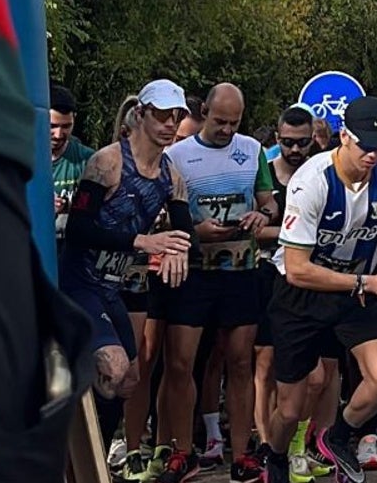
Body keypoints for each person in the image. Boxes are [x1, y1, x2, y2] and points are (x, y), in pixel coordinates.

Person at [262, 97, 377, 483]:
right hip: (303, 295)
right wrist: (367, 282)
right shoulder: (311, 181)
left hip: (357, 289)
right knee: (290, 407)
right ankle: (276, 457)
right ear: (343, 137)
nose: (373, 155)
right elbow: (298, 271)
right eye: (365, 146)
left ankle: (339, 436)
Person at [58, 79, 195, 481]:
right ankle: (76, 458)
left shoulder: (172, 175)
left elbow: (186, 232)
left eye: (178, 117)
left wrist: (178, 250)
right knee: (115, 367)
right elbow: (79, 230)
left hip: (113, 286)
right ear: (141, 115)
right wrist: (143, 240)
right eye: (163, 116)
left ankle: (90, 460)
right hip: (79, 280)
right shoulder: (107, 162)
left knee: (130, 381)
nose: (171, 125)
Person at [154, 84, 277, 483]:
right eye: (219, 120)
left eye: (234, 122)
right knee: (180, 362)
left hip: (241, 269)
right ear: (204, 111)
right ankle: (183, 451)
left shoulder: (253, 151)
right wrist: (193, 229)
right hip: (193, 270)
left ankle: (241, 454)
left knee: (241, 360)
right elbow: (161, 214)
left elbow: (268, 199)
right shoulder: (177, 155)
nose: (226, 129)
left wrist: (262, 215)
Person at [255, 105, 335, 481]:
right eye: (287, 142)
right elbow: (256, 228)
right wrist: (296, 236)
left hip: (313, 281)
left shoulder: (319, 173)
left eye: (303, 143)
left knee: (315, 377)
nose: (295, 150)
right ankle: (269, 448)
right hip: (271, 277)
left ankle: (295, 446)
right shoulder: (267, 175)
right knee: (267, 369)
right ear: (277, 137)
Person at [52, 84, 95, 246]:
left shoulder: (87, 159)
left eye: (66, 126)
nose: (58, 134)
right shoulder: (23, 157)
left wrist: (68, 205)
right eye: (52, 126)